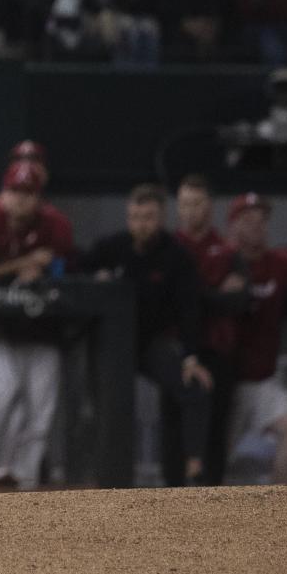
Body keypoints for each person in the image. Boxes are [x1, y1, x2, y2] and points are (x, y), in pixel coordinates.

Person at [196, 192, 287, 484]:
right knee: (213, 459)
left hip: (261, 381)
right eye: (248, 221)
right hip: (226, 382)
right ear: (233, 226)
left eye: (262, 220)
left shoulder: (278, 261)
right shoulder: (222, 260)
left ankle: (276, 505)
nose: (256, 227)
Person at [82, 184, 215, 487]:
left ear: (162, 217)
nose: (141, 224)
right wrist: (95, 280)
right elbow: (77, 267)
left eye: (148, 217)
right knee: (102, 405)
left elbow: (189, 310)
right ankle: (100, 476)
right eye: (135, 217)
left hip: (152, 342)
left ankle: (194, 466)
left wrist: (191, 357)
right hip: (113, 346)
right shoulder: (113, 247)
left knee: (194, 386)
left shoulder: (176, 256)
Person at [0, 161, 73, 487]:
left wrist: (44, 271)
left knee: (39, 413)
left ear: (40, 198)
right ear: (1, 193)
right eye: (14, 192)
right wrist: (22, 265)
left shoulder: (54, 223)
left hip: (41, 331)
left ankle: (26, 480)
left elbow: (66, 273)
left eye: (28, 193)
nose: (20, 200)